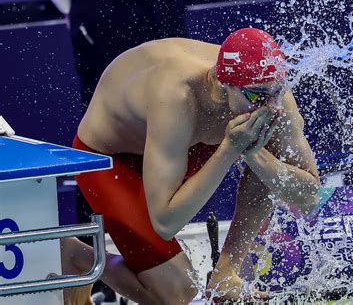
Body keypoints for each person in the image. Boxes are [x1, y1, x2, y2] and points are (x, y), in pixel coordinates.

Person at [70, 27, 321, 303]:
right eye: (257, 96)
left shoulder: (266, 91)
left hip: (181, 146)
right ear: (222, 82)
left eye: (276, 92)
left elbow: (309, 196)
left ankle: (226, 273)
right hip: (108, 158)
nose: (270, 106)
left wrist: (255, 154)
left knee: (266, 156)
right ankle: (77, 257)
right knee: (178, 296)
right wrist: (230, 150)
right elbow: (166, 222)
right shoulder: (177, 95)